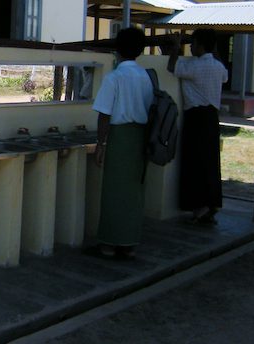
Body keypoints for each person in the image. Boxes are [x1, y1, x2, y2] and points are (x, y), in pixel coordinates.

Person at [92, 27, 153, 259]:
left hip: (120, 137)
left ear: (117, 49)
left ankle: (108, 244)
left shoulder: (115, 77)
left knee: (113, 191)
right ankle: (128, 243)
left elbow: (104, 114)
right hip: (140, 137)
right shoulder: (145, 76)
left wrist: (101, 144)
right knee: (133, 193)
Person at [166, 29, 228, 225]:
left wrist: (175, 48)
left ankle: (199, 207)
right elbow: (224, 75)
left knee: (194, 162)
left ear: (201, 45)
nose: (191, 47)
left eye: (193, 43)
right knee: (210, 162)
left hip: (196, 117)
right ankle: (212, 203)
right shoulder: (218, 67)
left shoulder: (194, 67)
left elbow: (171, 67)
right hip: (212, 117)